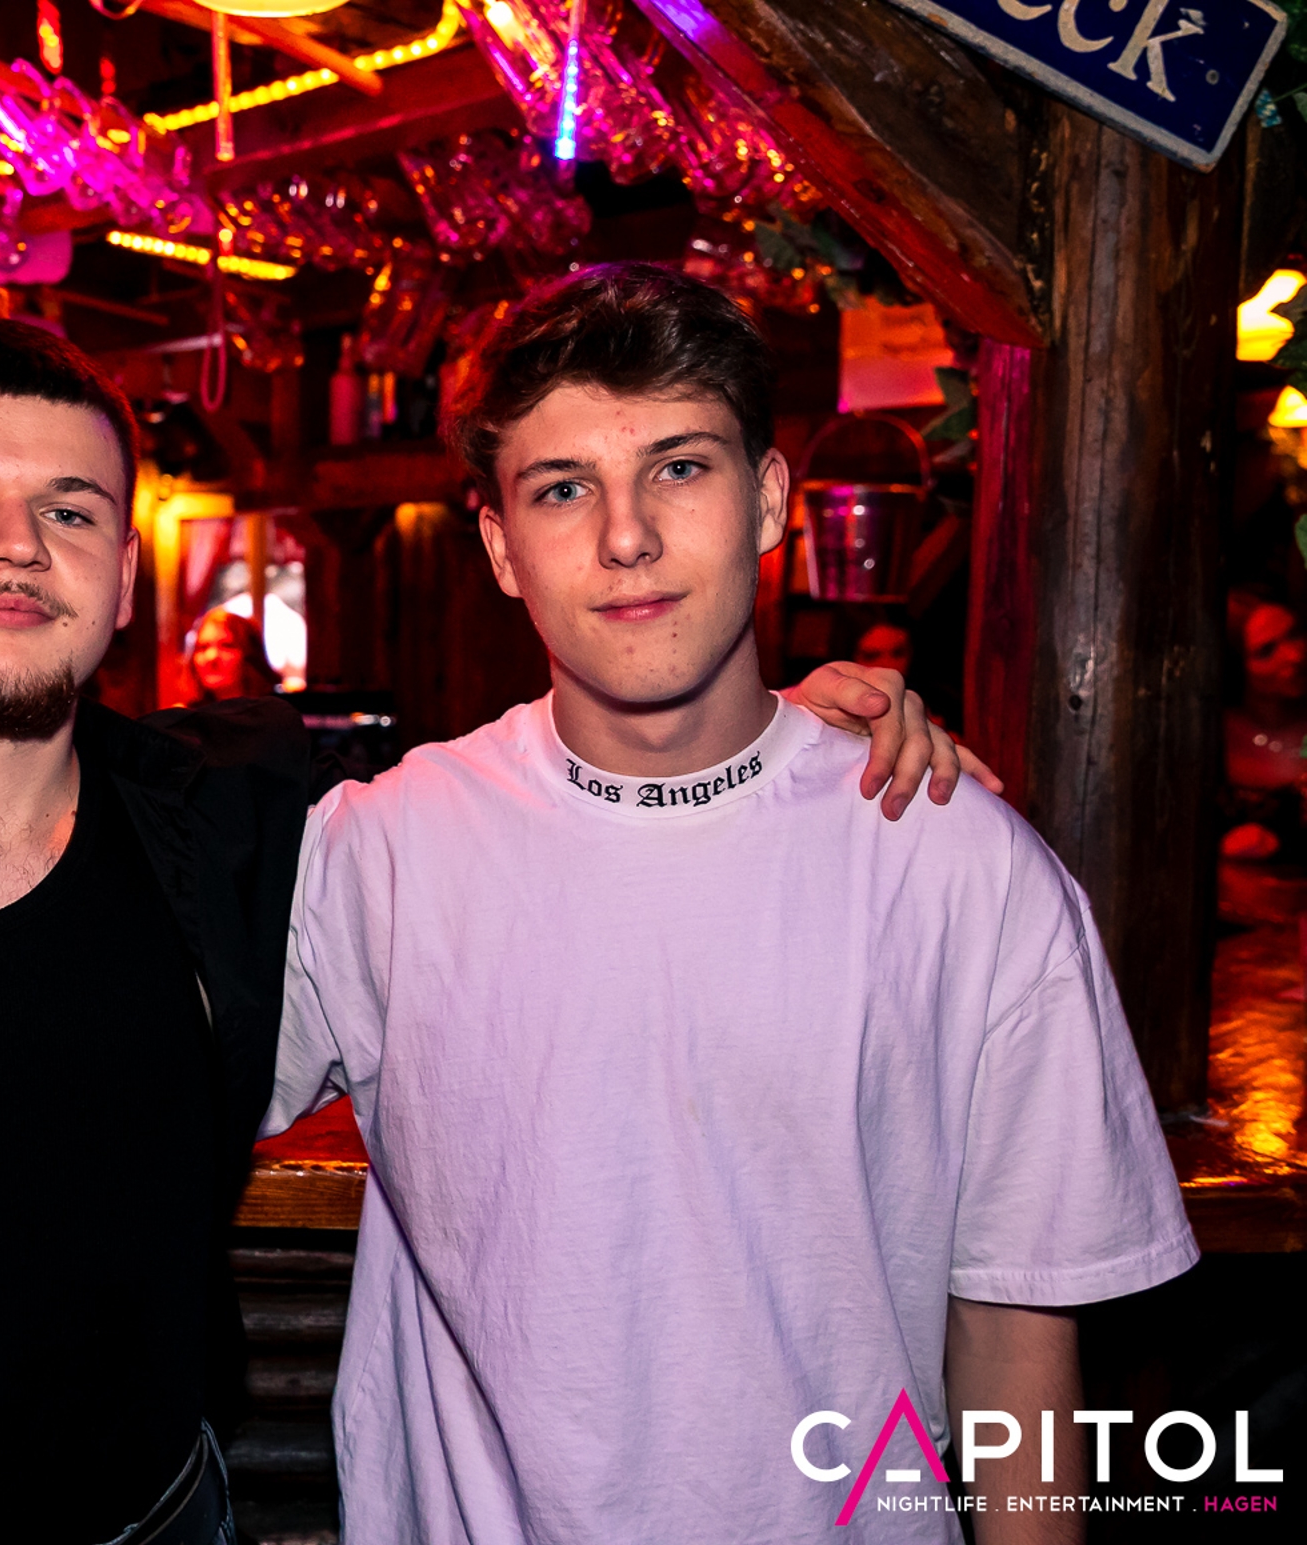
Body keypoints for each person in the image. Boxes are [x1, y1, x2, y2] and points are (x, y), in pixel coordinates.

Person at [0, 319, 982, 1545]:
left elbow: (571, 790)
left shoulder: (243, 842)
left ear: (122, 576)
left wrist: (781, 730)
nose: (14, 546)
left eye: (68, 510)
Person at [264, 265, 1196, 1544]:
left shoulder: (956, 864)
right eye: (561, 488)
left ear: (767, 498)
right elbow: (111, 1109)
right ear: (498, 547)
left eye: (678, 468)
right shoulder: (380, 851)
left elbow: (1014, 1329)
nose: (625, 537)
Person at [1222, 597, 1307, 861]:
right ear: (1236, 664)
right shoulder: (1210, 737)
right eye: (1267, 650)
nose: (1295, 655)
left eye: (1295, 634)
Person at [188, 605, 279, 702]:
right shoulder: (188, 711)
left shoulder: (277, 708)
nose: (212, 656)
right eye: (203, 648)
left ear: (249, 653)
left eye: (226, 646)